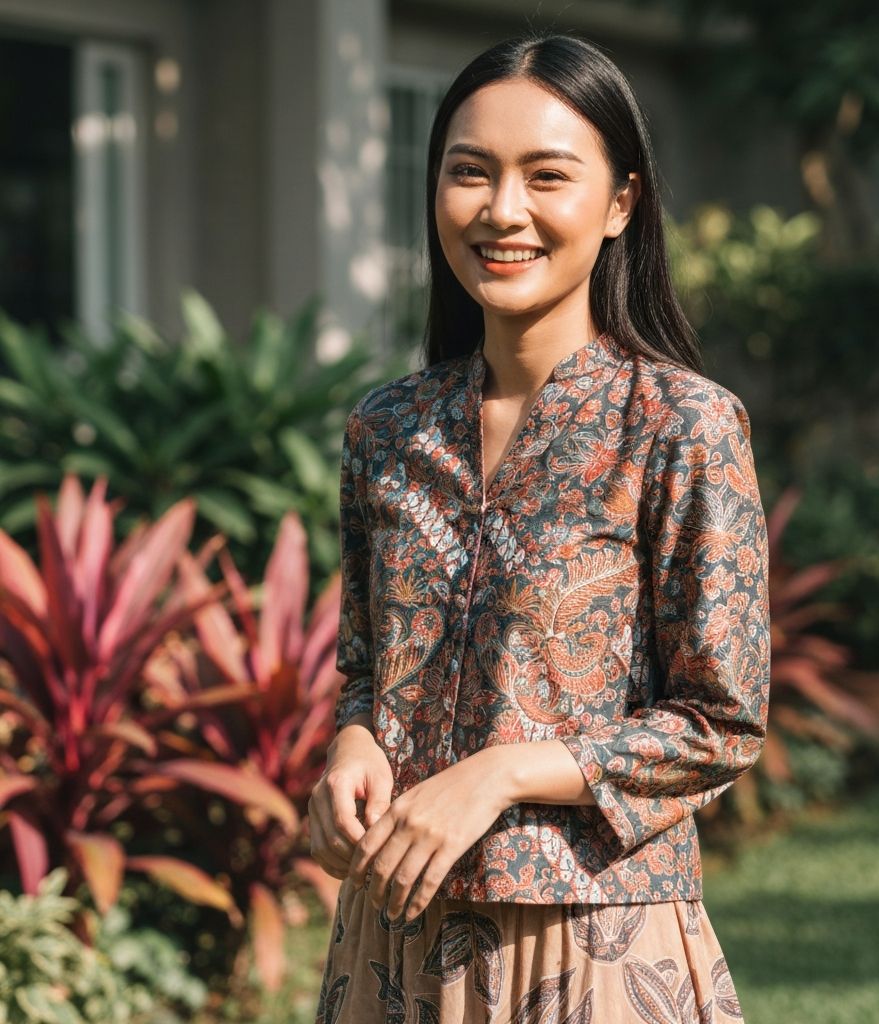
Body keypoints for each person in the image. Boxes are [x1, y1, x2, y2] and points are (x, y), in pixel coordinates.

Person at [309, 31, 770, 1024]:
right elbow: (363, 666)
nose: (501, 210)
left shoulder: (680, 425)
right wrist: (353, 750)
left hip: (591, 943)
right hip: (392, 940)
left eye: (545, 176)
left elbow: (719, 723)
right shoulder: (386, 428)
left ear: (619, 203)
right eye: (468, 172)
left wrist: (502, 772)